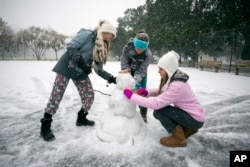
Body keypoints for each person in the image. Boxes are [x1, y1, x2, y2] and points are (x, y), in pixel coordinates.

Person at [40, 20, 117, 142]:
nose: (112, 37)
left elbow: (98, 69)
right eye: (111, 34)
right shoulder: (87, 34)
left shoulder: (102, 47)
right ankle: (45, 126)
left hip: (80, 73)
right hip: (66, 67)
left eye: (113, 36)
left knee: (89, 95)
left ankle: (81, 118)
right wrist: (81, 62)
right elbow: (71, 46)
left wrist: (112, 78)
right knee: (56, 96)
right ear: (105, 31)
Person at [123, 51, 205, 147]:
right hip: (193, 116)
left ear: (168, 69)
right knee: (159, 111)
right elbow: (164, 90)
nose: (158, 71)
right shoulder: (175, 78)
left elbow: (155, 104)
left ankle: (179, 138)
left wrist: (131, 97)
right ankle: (188, 129)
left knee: (159, 110)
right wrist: (147, 92)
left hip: (194, 119)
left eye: (161, 69)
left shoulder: (177, 86)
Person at [120, 30, 152, 123]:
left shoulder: (148, 54)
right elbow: (124, 63)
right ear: (134, 44)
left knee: (142, 91)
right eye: (137, 48)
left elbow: (142, 69)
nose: (139, 51)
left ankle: (143, 112)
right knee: (127, 88)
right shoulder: (126, 49)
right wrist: (128, 77)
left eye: (141, 49)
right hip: (128, 70)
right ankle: (126, 109)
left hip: (141, 72)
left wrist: (136, 80)